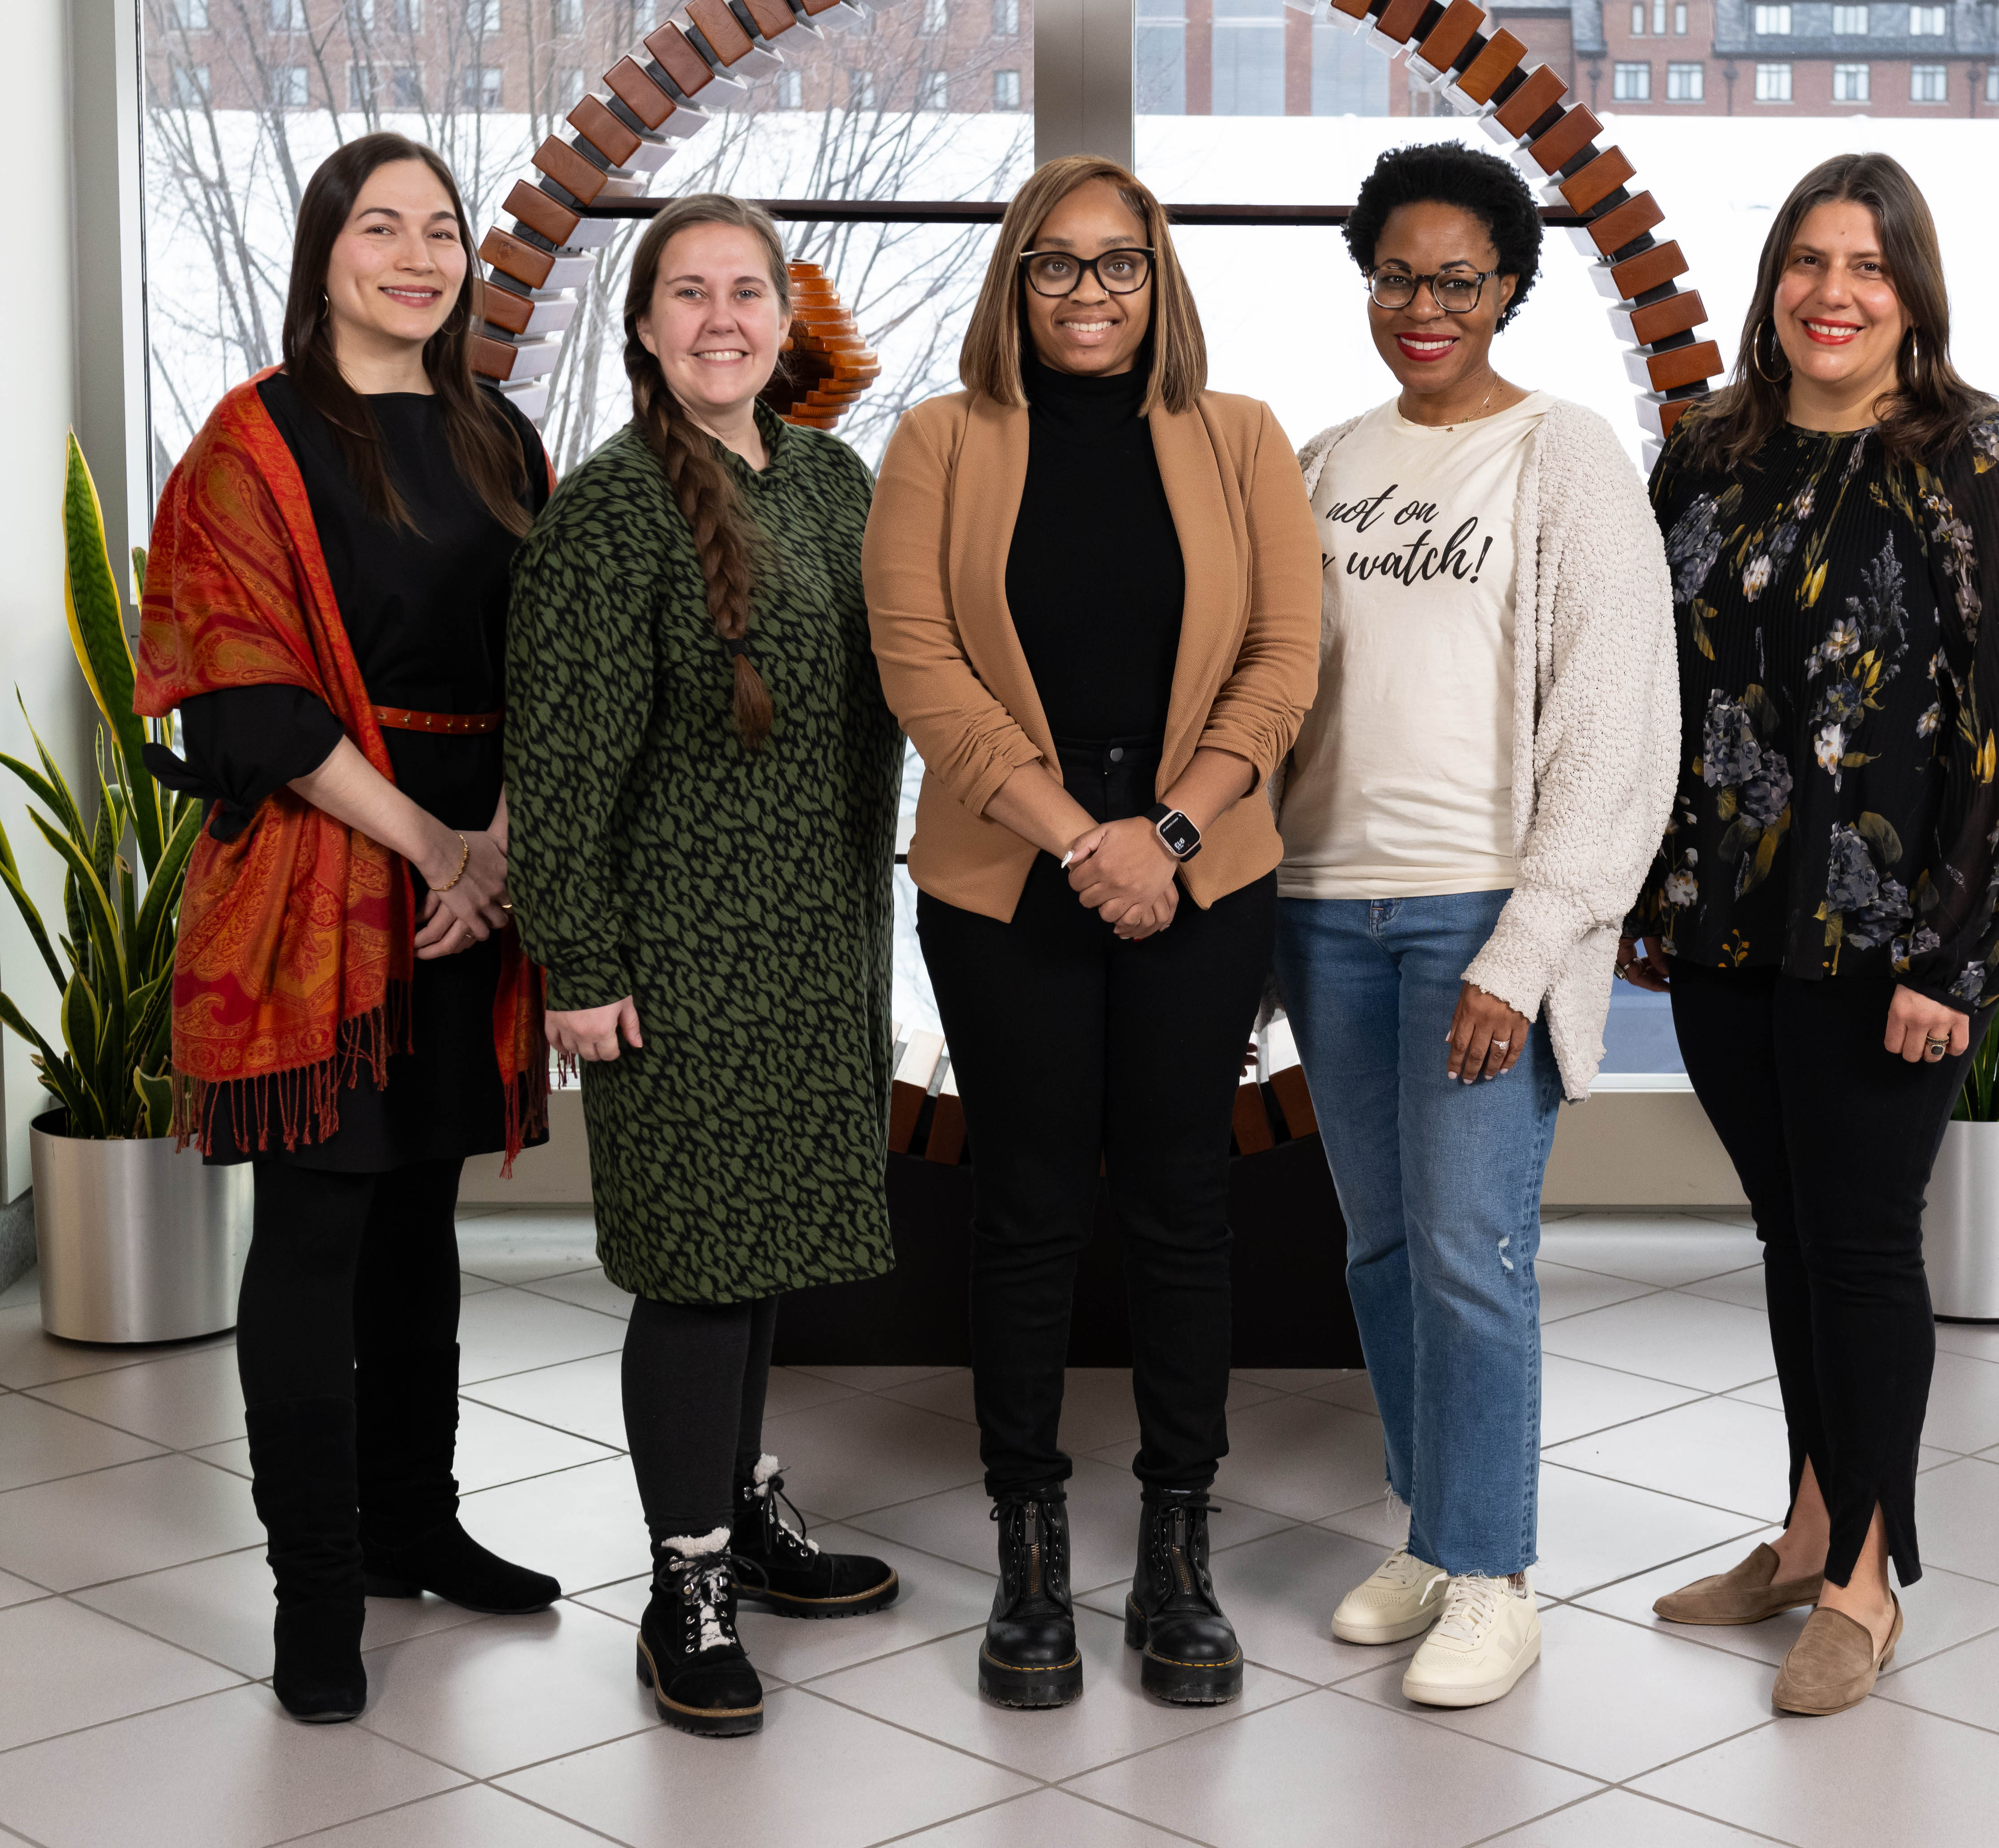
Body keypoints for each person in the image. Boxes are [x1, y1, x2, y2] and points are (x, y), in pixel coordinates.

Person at [1621, 151, 1999, 1717]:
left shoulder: (1980, 470)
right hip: (1721, 925)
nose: (1832, 294)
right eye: (1807, 263)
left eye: (1866, 268)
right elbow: (1645, 692)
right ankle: (1806, 1525)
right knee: (1787, 1236)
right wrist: (1640, 893)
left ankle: (1864, 1584)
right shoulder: (1704, 457)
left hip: (1888, 946)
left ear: (1913, 295)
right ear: (1772, 286)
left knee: (1865, 1247)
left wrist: (1955, 966)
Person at [867, 155, 1321, 1711]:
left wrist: (1169, 836)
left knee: (1186, 1208)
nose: (1087, 293)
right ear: (1013, 284)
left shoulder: (1240, 439)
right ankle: (1031, 1552)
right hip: (1011, 880)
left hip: (1201, 869)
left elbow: (1282, 662)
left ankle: (1180, 1551)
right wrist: (1080, 840)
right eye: (1054, 266)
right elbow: (920, 667)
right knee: (1030, 1207)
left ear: (1159, 280)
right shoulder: (938, 443)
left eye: (1116, 265)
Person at [134, 133, 562, 1725]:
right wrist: (435, 843)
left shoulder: (496, 431)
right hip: (331, 874)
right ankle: (314, 1591)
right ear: (322, 255)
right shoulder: (249, 446)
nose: (418, 253)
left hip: (474, 890)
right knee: (318, 1234)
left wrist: (499, 848)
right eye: (380, 227)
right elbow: (244, 692)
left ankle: (415, 1527)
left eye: (440, 230)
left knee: (419, 1221)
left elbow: (556, 656)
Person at [1275, 143, 1677, 1709]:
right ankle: (1436, 1535)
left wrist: (1526, 947)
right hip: (1322, 909)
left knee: (1467, 1250)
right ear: (1366, 280)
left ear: (1509, 287)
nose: (1424, 306)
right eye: (1397, 275)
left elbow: (1617, 727)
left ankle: (1497, 1576)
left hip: (1474, 914)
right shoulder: (1324, 461)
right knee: (1378, 1248)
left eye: (1459, 279)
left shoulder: (1561, 458)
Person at [506, 192, 907, 1740]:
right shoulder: (611, 517)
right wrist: (579, 965)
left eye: (747, 292)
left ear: (781, 322)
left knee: (757, 1261)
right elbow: (560, 763)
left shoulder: (829, 480)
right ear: (647, 326)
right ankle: (683, 1588)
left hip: (811, 945)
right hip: (672, 959)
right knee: (692, 1272)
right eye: (689, 294)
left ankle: (745, 1510)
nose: (722, 319)